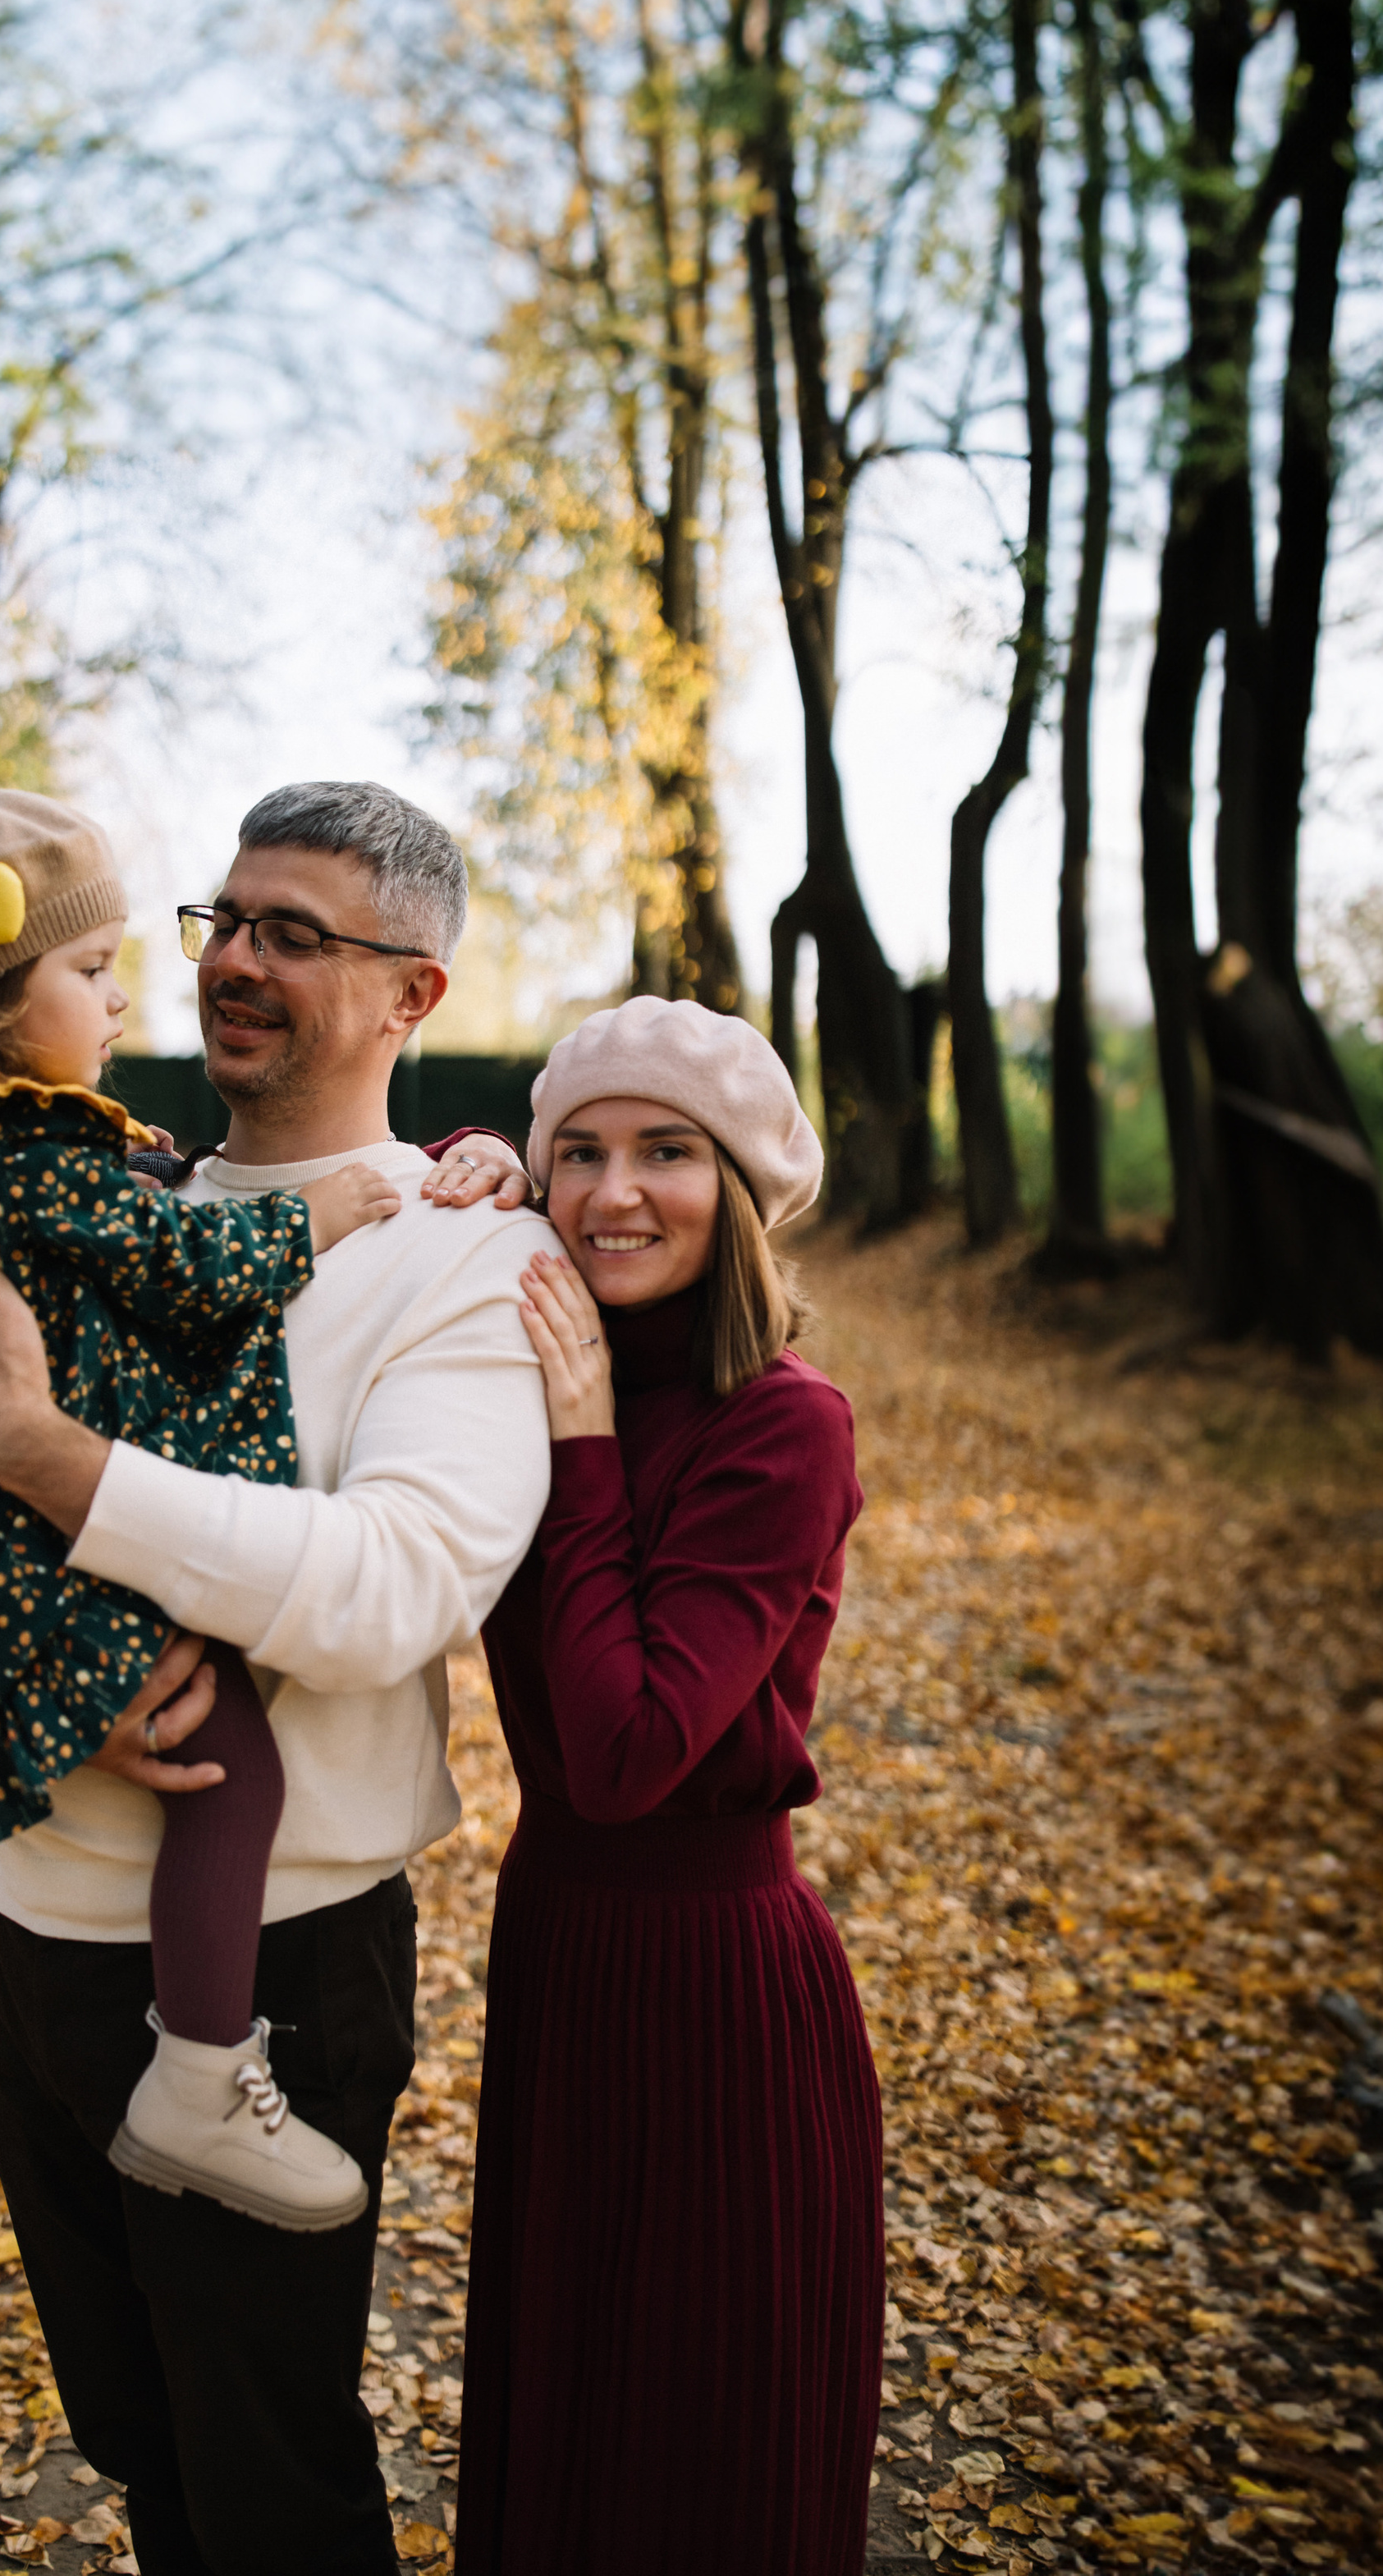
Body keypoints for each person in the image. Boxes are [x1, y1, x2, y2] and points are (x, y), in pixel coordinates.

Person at [0, 780, 556, 2576]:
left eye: (297, 936)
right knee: (141, 2449)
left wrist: (52, 1462)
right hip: (36, 1932)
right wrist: (43, 1668)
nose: (233, 964)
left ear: (414, 994)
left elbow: (385, 1593)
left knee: (272, 2488)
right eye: (222, 922)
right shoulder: (107, 1195)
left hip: (279, 1971)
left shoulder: (466, 1255)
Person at [0, 778, 400, 2230]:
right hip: (5, 1519)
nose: (129, 1001)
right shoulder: (26, 1149)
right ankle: (201, 2072)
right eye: (95, 971)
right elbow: (174, 1267)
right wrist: (323, 1210)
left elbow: (123, 1217)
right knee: (227, 1753)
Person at [456, 995, 885, 2576]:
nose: (616, 1191)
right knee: (564, 2405)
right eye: (581, 1153)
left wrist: (577, 1441)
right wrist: (474, 1164)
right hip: (559, 1942)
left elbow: (632, 1753)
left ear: (744, 1190)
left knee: (693, 2444)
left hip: (714, 1976)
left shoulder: (785, 1424)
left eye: (667, 1152)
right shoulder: (515, 1358)